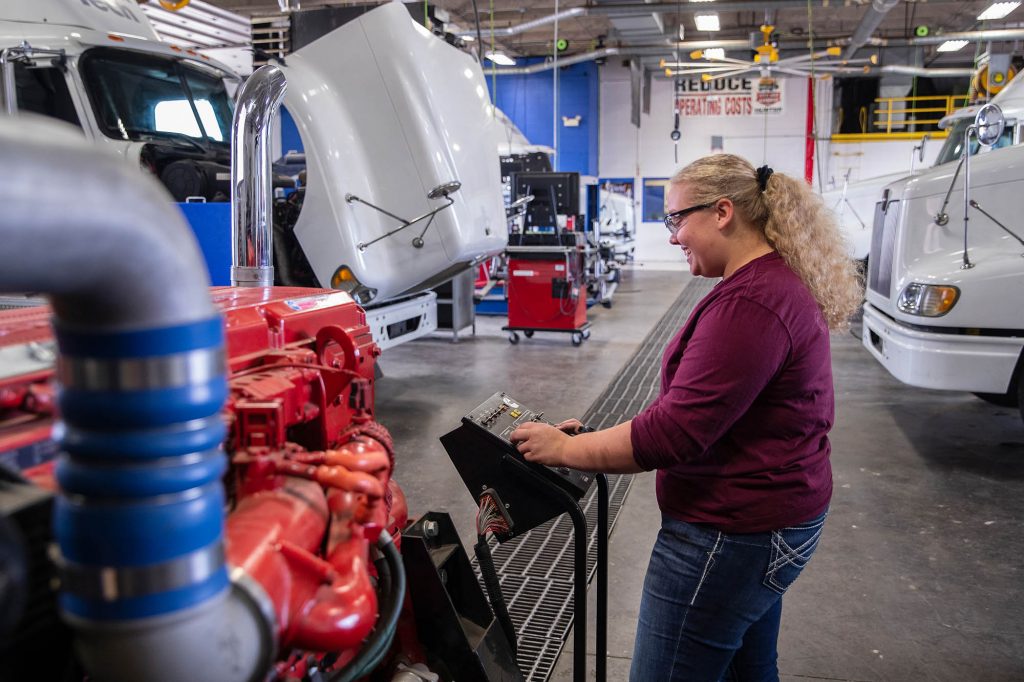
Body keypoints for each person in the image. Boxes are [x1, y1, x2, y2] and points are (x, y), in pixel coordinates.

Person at [509, 154, 861, 681]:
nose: (673, 236)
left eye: (677, 219)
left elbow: (675, 433)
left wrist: (566, 451)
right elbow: (704, 406)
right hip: (771, 521)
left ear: (722, 212)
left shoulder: (754, 303)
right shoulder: (771, 283)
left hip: (731, 536)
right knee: (749, 669)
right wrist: (599, 439)